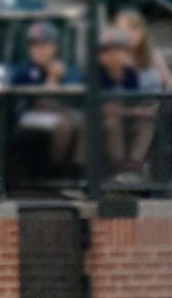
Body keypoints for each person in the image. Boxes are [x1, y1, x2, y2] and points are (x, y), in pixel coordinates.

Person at [9, 21, 84, 179]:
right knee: (62, 125)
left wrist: (60, 76)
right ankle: (56, 171)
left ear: (54, 47)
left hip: (59, 112)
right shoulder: (25, 70)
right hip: (27, 115)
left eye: (45, 44)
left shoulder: (65, 68)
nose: (40, 50)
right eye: (35, 45)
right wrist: (52, 77)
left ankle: (77, 169)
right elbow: (37, 101)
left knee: (82, 121)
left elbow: (75, 92)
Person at [98, 25, 154, 181]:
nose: (114, 55)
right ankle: (118, 168)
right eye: (108, 51)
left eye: (119, 51)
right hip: (99, 123)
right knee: (112, 121)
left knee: (148, 120)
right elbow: (105, 108)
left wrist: (140, 111)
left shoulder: (130, 73)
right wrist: (134, 111)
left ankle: (133, 164)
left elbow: (134, 102)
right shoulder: (96, 74)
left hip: (127, 120)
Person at [114, 8, 172, 92]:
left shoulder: (153, 54)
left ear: (143, 31)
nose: (129, 34)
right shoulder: (113, 59)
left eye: (134, 29)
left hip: (159, 102)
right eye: (124, 30)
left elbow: (168, 84)